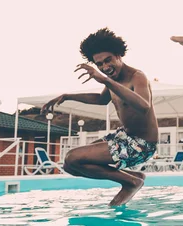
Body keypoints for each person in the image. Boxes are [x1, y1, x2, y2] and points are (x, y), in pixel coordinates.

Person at [41, 28, 158, 206]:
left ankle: (131, 182)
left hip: (142, 144)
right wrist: (68, 96)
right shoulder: (114, 81)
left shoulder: (137, 76)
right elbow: (101, 99)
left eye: (108, 60)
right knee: (70, 165)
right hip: (124, 137)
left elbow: (144, 106)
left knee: (73, 157)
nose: (104, 67)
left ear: (119, 54)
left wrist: (105, 80)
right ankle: (133, 178)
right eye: (99, 64)